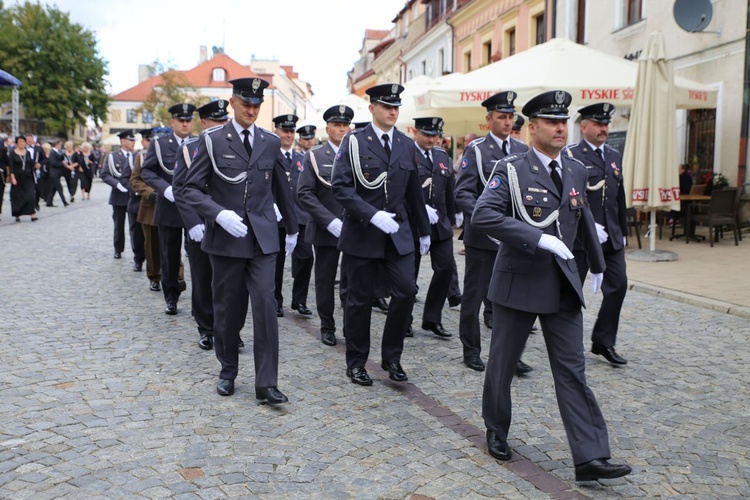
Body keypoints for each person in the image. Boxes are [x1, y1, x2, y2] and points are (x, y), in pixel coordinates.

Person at [472, 90, 632, 482]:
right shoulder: (511, 168)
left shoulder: (576, 168)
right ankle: (496, 427)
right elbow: (483, 215)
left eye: (564, 121)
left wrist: (596, 265)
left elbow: (582, 217)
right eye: (551, 122)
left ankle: (590, 456)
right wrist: (536, 237)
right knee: (503, 364)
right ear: (533, 128)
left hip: (562, 284)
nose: (561, 128)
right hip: (519, 282)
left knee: (572, 370)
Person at [182, 77, 299, 404]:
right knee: (228, 309)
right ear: (232, 102)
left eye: (256, 105)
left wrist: (292, 228)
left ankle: (267, 382)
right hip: (227, 239)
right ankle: (228, 369)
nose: (251, 110)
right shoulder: (213, 140)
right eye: (246, 103)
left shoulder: (270, 141)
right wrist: (217, 214)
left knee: (265, 306)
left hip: (263, 239)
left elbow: (281, 188)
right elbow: (190, 189)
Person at [331, 83, 431, 386]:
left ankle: (392, 356)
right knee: (359, 300)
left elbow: (413, 191)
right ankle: (357, 361)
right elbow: (341, 187)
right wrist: (371, 214)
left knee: (406, 291)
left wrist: (423, 231)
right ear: (372, 108)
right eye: (386, 106)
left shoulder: (405, 143)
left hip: (397, 234)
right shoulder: (354, 142)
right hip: (363, 233)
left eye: (396, 107)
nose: (392, 112)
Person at [454, 90, 531, 373]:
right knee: (473, 298)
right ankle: (471, 350)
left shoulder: (523, 151)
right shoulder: (476, 150)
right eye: (502, 117)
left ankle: (511, 355)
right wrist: (488, 221)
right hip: (483, 238)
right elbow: (462, 193)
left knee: (512, 300)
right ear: (489, 120)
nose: (508, 122)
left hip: (513, 238)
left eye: (511, 116)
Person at [567, 103, 629, 366]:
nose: (604, 128)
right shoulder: (571, 155)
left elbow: (619, 197)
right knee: (570, 293)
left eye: (606, 124)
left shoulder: (613, 155)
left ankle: (603, 341)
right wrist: (588, 225)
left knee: (618, 286)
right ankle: (566, 344)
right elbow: (567, 199)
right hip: (581, 239)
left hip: (611, 238)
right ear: (584, 127)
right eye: (598, 124)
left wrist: (623, 230)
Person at [172, 99, 230, 350]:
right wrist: (193, 223)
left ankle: (229, 329)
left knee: (229, 282)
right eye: (217, 121)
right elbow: (180, 189)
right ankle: (206, 327)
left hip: (227, 224)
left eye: (224, 120)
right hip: (200, 226)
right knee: (203, 278)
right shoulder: (189, 148)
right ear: (204, 123)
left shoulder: (234, 146)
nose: (222, 125)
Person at [297, 104, 353, 347]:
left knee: (352, 281)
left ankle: (351, 324)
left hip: (354, 228)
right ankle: (327, 325)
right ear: (327, 127)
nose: (341, 129)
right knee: (325, 279)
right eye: (336, 125)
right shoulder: (315, 155)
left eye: (345, 125)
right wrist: (328, 221)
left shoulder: (357, 153)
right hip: (325, 228)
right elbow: (305, 193)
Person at [141, 103, 196, 315]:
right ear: (172, 122)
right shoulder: (159, 144)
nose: (185, 123)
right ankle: (171, 297)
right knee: (170, 256)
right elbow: (147, 172)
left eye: (188, 120)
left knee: (198, 259)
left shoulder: (199, 143)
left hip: (193, 209)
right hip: (169, 207)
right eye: (181, 120)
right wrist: (164, 189)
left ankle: (199, 302)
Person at [409, 117, 456, 338]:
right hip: (414, 225)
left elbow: (448, 188)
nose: (431, 139)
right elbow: (398, 190)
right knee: (410, 276)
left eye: (435, 135)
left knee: (445, 268)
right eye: (427, 135)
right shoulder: (407, 153)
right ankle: (404, 319)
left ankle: (432, 318)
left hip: (440, 225)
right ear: (416, 132)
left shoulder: (441, 156)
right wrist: (418, 208)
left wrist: (454, 212)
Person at [272, 113, 314, 318]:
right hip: (277, 218)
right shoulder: (270, 156)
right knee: (276, 262)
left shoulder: (301, 158)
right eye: (284, 131)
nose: (288, 135)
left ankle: (299, 300)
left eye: (291, 131)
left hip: (300, 217)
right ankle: (275, 300)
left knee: (306, 258)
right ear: (276, 131)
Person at [130, 128, 167, 292]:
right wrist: (149, 192)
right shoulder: (142, 157)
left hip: (171, 207)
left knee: (171, 245)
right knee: (151, 247)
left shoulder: (175, 154)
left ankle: (176, 278)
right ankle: (154, 277)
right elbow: (135, 180)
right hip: (149, 207)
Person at [114, 130, 146, 273]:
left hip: (156, 203)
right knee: (137, 234)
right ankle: (138, 259)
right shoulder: (135, 157)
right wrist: (136, 190)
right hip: (137, 202)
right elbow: (124, 178)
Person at [101, 131, 135, 259]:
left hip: (133, 196)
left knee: (135, 227)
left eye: (134, 140)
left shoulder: (137, 156)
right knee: (119, 225)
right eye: (130, 140)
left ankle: (137, 252)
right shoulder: (112, 156)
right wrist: (117, 184)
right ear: (122, 141)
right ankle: (118, 249)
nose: (133, 143)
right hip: (118, 196)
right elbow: (105, 174)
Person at [7, 135, 38, 222]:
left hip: (28, 177)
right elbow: (11, 167)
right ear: (17, 143)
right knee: (18, 197)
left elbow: (30, 164)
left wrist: (35, 165)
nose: (22, 144)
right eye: (20, 142)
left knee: (31, 196)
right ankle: (17, 214)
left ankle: (32, 214)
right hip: (17, 177)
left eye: (23, 142)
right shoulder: (12, 153)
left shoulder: (27, 153)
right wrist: (12, 178)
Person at [45, 139, 70, 208]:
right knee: (59, 187)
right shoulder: (52, 152)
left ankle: (49, 202)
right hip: (54, 173)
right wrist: (62, 163)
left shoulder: (58, 152)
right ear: (56, 145)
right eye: (60, 144)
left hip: (57, 173)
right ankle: (64, 202)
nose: (61, 146)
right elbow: (53, 162)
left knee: (53, 188)